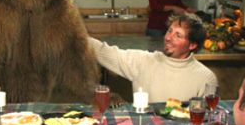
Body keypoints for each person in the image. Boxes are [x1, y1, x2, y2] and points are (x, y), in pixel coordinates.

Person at [89, 13, 217, 103]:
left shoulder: (205, 78)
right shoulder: (143, 62)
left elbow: (205, 119)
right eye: (169, 31)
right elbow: (103, 51)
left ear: (192, 45)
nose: (168, 38)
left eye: (178, 35)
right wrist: (75, 35)